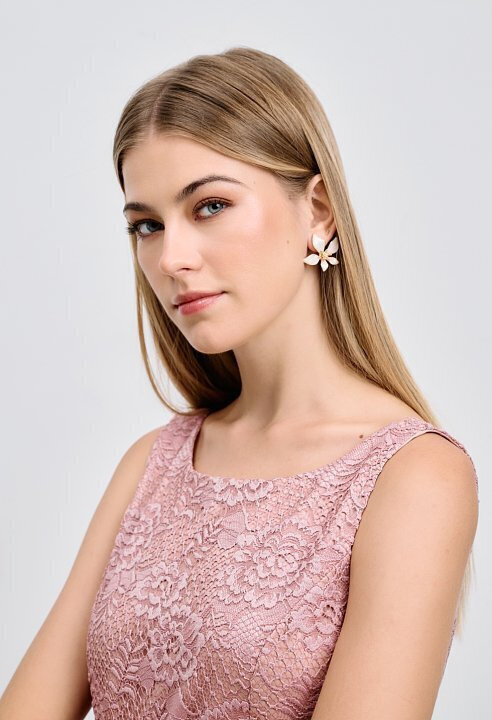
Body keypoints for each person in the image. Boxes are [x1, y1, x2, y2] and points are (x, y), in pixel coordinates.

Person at [0, 46, 479, 720]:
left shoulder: (413, 476)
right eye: (146, 225)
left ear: (318, 210)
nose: (170, 258)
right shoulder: (154, 463)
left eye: (210, 206)